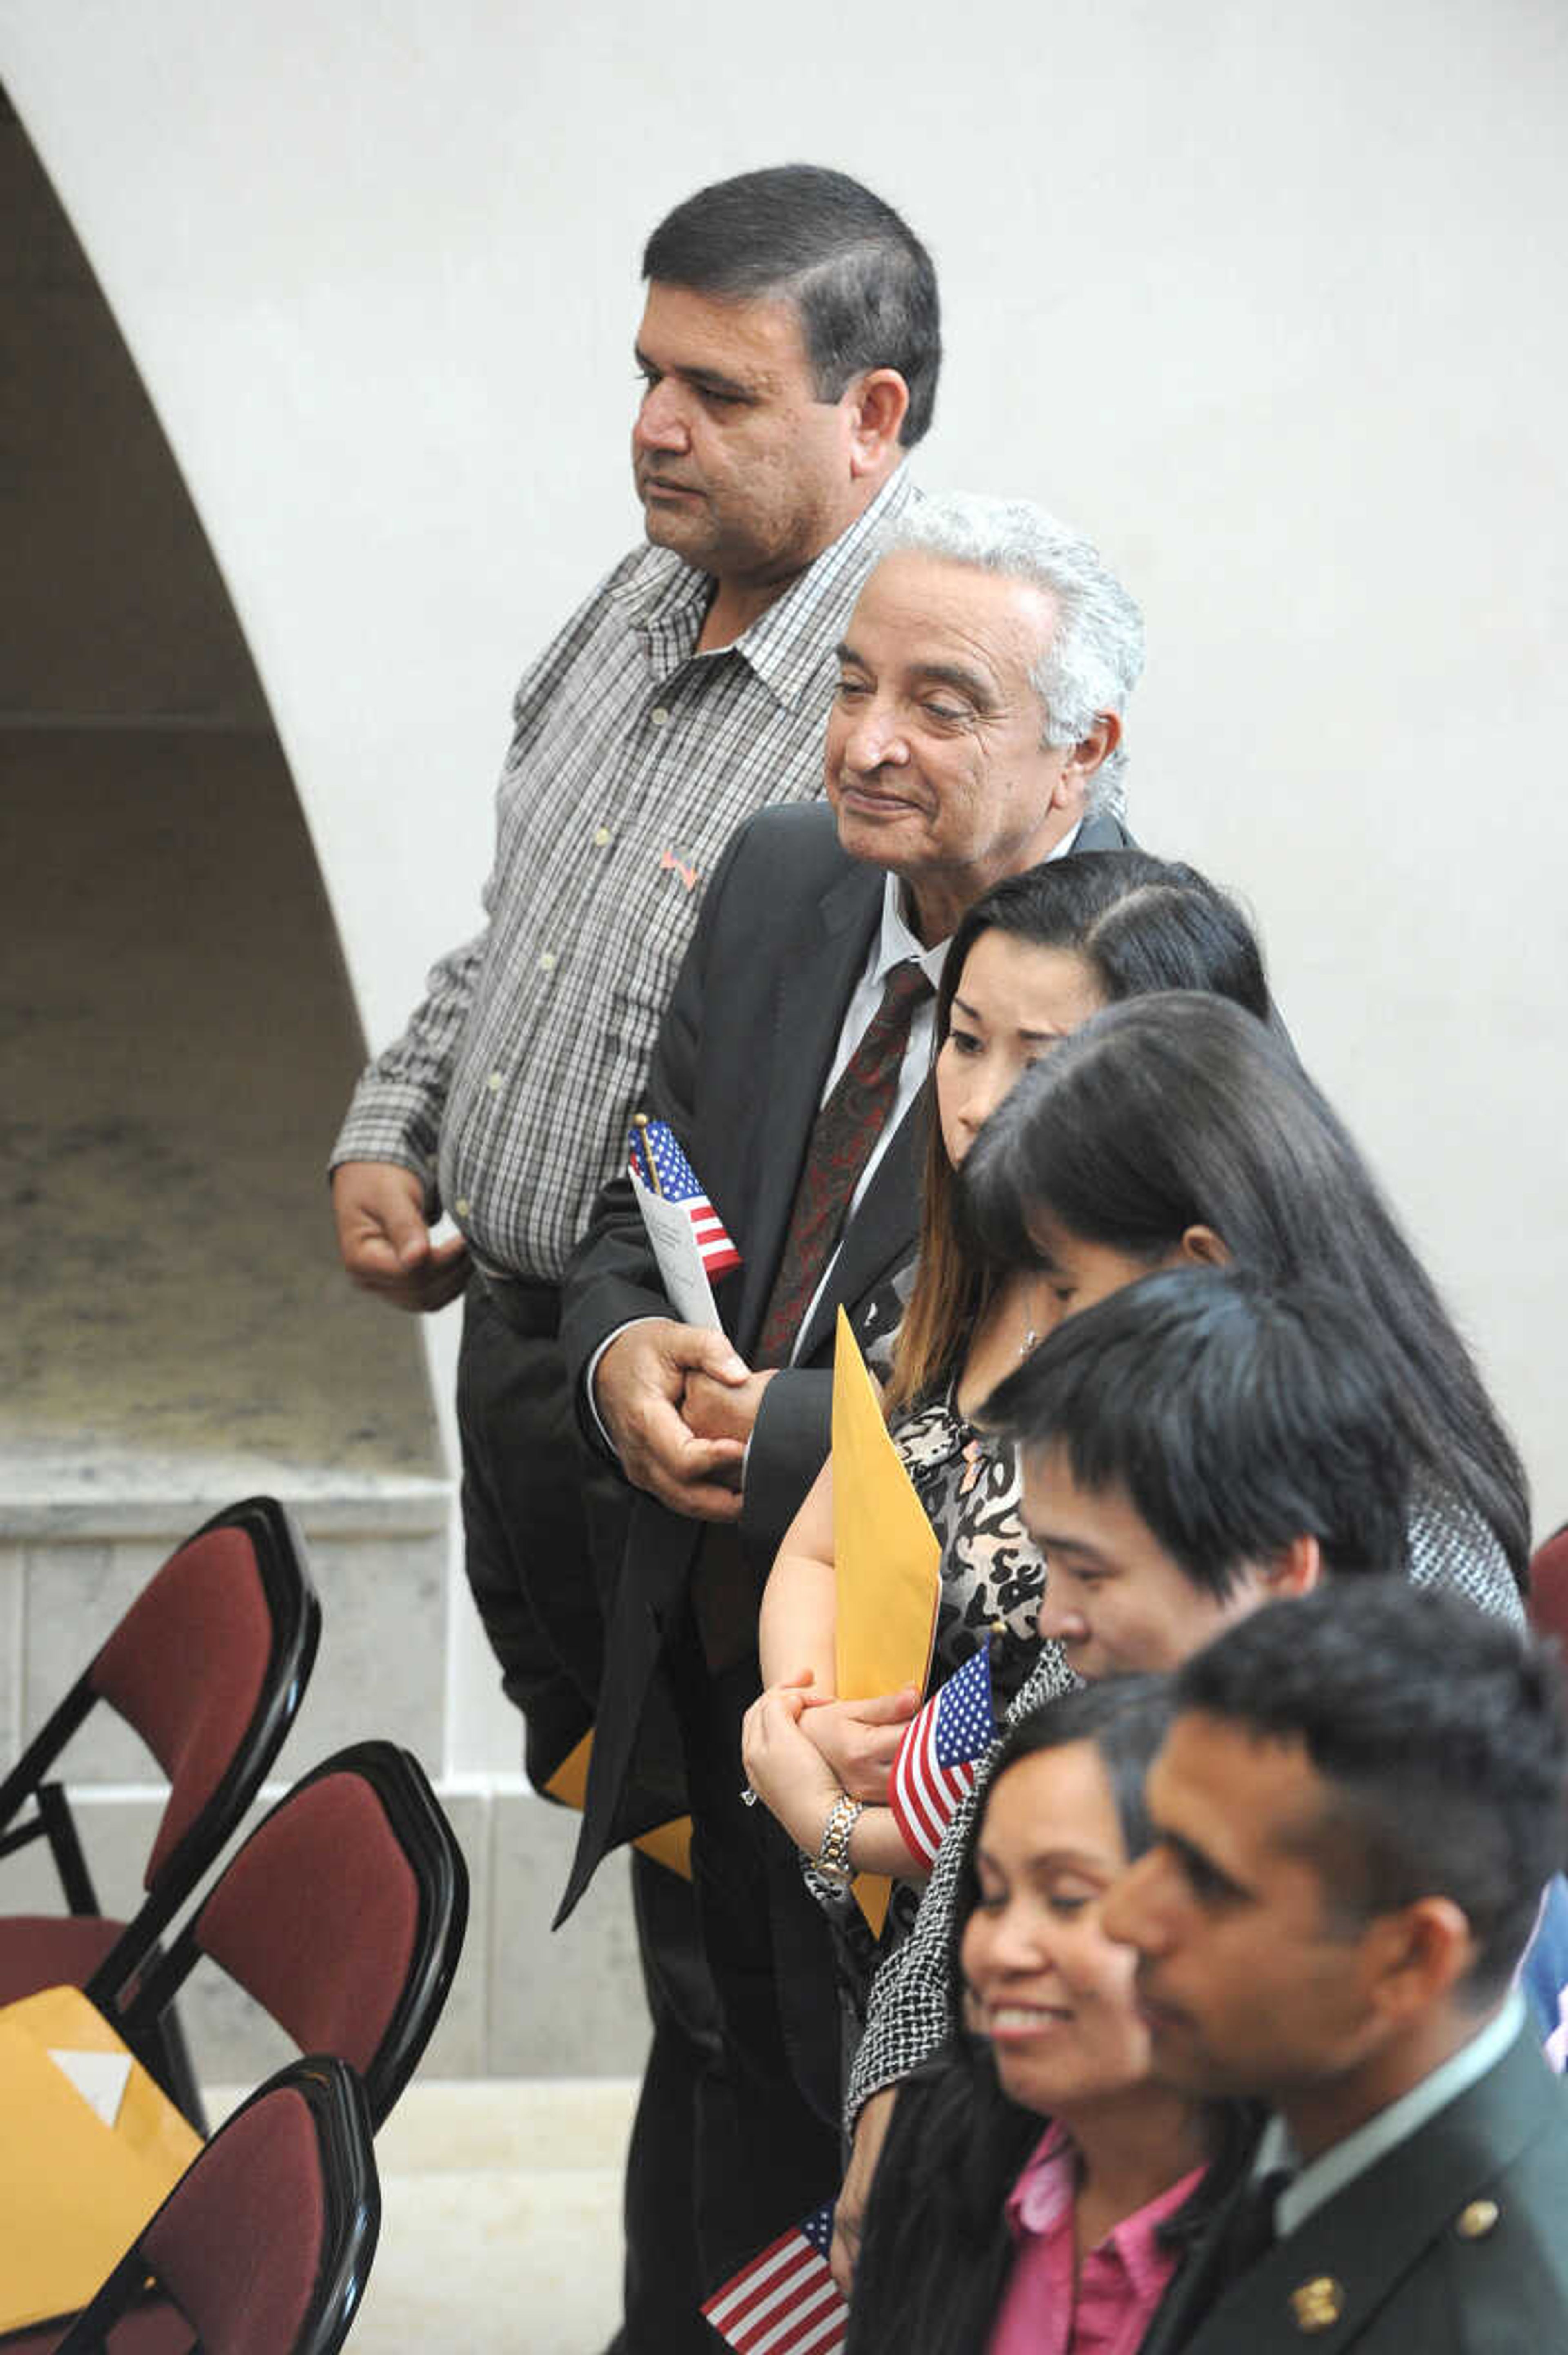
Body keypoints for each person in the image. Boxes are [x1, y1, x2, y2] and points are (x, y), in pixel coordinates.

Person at [328, 162, 940, 2355]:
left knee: (752, 1947)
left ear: (871, 418)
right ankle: (683, 2306)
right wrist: (403, 1120)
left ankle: (745, 2307)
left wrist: (675, 1387)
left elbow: (851, 1145)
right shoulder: (628, 599)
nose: (653, 427)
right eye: (644, 375)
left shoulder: (879, 735)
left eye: (716, 388)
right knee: (661, 1917)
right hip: (531, 1365)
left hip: (706, 1452)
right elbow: (516, 932)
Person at [559, 493, 1144, 2279]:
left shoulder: (1138, 986)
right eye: (851, 683)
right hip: (697, 1670)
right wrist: (616, 1350)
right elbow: (632, 1186)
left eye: (944, 703)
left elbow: (1105, 1389)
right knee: (716, 2105)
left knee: (883, 2179)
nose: (868, 743)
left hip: (926, 1756)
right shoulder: (776, 874)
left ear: (1083, 752)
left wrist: (791, 1443)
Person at [838, 1173, 1529, 2288]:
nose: (1051, 1619)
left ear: (1277, 1570)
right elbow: (958, 1895)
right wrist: (900, 2107)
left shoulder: (1383, 1885)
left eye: (1090, 1573)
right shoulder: (1102, 1670)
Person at [741, 856, 1269, 2038]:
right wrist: (809, 1713)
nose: (981, 1100)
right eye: (967, 1040)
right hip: (881, 1916)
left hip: (1070, 1973)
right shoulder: (947, 1278)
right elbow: (821, 1548)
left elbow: (1139, 1781)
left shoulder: (1197, 1357)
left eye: (1045, 1059)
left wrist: (832, 1821)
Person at [1107, 1581, 1568, 2353]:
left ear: (1411, 1957)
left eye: (1207, 1879)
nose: (1123, 1916)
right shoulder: (1311, 2099)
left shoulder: (1490, 2324)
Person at [845, 1681, 1252, 2353]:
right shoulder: (937, 2163)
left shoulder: (1308, 2245)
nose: (1001, 1951)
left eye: (1066, 1898)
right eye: (994, 1896)